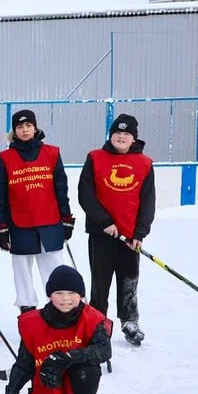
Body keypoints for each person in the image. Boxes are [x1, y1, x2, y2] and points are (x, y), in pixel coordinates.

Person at [0, 266, 112, 394]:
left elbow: (104, 350)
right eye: (59, 293)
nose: (65, 298)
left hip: (76, 381)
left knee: (88, 370)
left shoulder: (92, 318)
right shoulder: (33, 322)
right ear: (49, 295)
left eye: (72, 293)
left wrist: (68, 356)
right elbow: (24, 365)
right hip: (47, 384)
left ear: (81, 295)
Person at [78, 114, 155, 347]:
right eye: (117, 133)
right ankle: (97, 322)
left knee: (129, 279)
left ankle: (129, 320)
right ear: (111, 136)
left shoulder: (144, 163)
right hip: (102, 233)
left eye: (126, 133)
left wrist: (140, 233)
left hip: (129, 237)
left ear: (134, 139)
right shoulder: (95, 158)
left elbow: (148, 201)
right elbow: (85, 194)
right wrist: (104, 221)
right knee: (100, 281)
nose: (121, 136)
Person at [0, 109, 74, 313]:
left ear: (35, 128)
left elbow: (61, 187)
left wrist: (66, 217)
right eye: (20, 127)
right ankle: (27, 306)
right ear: (14, 131)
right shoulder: (5, 158)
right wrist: (0, 224)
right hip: (19, 223)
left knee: (54, 268)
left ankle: (57, 306)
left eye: (28, 125)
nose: (25, 130)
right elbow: (0, 194)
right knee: (22, 269)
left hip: (50, 221)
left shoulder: (52, 153)